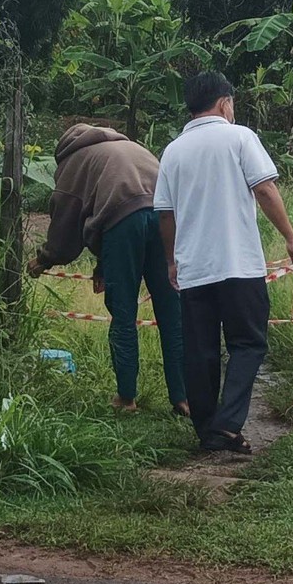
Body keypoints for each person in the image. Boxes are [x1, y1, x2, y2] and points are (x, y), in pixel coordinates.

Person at [154, 71, 293, 455]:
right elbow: (265, 188)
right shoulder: (240, 137)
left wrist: (172, 260)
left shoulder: (173, 150)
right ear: (225, 102)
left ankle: (208, 430)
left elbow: (165, 214)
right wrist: (291, 237)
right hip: (239, 265)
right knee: (248, 344)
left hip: (194, 269)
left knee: (200, 350)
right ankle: (227, 425)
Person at [29, 122, 187, 415]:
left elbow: (66, 230)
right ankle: (183, 397)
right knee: (171, 311)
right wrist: (104, 264)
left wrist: (43, 260)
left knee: (124, 312)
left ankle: (127, 398)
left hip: (123, 222)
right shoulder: (131, 147)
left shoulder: (74, 161)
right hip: (165, 218)